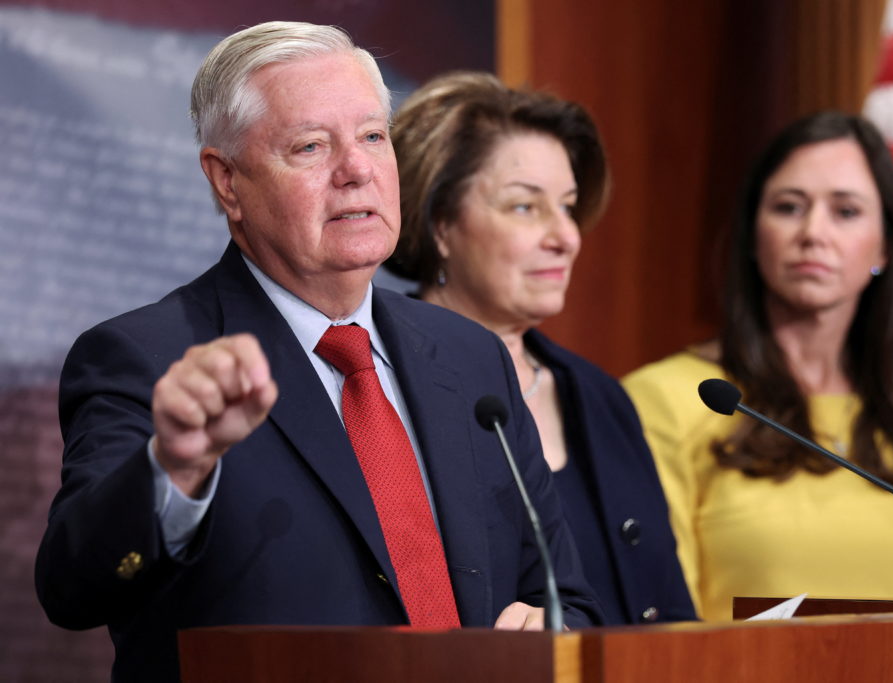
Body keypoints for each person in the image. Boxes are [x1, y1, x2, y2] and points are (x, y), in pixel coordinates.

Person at [34, 22, 602, 682]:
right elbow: (73, 588)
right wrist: (173, 468)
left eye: (372, 137)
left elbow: (568, 600)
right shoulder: (148, 357)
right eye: (310, 146)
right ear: (227, 181)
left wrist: (551, 629)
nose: (356, 170)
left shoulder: (470, 356)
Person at [622, 111, 893, 621]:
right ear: (752, 236)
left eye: (845, 211)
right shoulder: (666, 399)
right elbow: (660, 623)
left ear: (885, 246)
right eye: (788, 207)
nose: (813, 232)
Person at [386, 71, 696, 625]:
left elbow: (668, 608)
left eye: (569, 207)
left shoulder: (602, 399)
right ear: (440, 225)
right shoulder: (380, 387)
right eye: (525, 207)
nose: (566, 237)